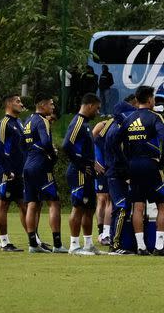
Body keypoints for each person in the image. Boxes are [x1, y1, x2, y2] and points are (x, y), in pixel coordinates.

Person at [114, 85, 164, 256]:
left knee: (138, 206)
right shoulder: (155, 117)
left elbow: (115, 142)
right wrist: (162, 161)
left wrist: (125, 163)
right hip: (151, 165)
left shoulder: (129, 118)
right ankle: (159, 246)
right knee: (163, 204)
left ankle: (141, 247)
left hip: (133, 167)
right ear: (149, 100)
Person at [22, 93, 65, 253]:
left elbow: (23, 143)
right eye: (51, 104)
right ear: (42, 105)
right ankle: (58, 244)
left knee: (32, 203)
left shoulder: (27, 121)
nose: (53, 107)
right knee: (54, 202)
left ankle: (32, 244)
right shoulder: (42, 121)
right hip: (41, 166)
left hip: (28, 165)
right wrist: (52, 155)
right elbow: (46, 142)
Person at [63, 93, 102, 255]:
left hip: (88, 171)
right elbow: (67, 145)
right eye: (97, 108)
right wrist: (80, 164)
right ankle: (74, 245)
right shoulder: (78, 122)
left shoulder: (85, 123)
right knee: (78, 207)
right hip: (78, 172)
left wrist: (93, 163)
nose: (98, 112)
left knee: (89, 208)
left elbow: (83, 148)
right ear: (90, 105)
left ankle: (88, 244)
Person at [104, 97, 137, 255]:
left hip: (116, 173)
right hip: (117, 175)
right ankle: (115, 245)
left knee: (120, 208)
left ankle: (118, 242)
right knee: (122, 208)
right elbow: (118, 157)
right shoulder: (117, 131)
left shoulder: (118, 128)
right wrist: (126, 173)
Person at [0, 93, 27, 252]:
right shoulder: (4, 123)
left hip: (20, 172)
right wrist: (7, 170)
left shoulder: (19, 122)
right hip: (7, 172)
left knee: (24, 205)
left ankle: (34, 240)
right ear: (9, 104)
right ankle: (4, 242)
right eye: (18, 101)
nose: (21, 104)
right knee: (3, 205)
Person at [92, 118, 113, 246]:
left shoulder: (123, 124)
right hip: (100, 166)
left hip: (111, 166)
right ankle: (101, 232)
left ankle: (108, 232)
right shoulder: (103, 125)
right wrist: (94, 161)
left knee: (110, 198)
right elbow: (89, 142)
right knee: (102, 198)